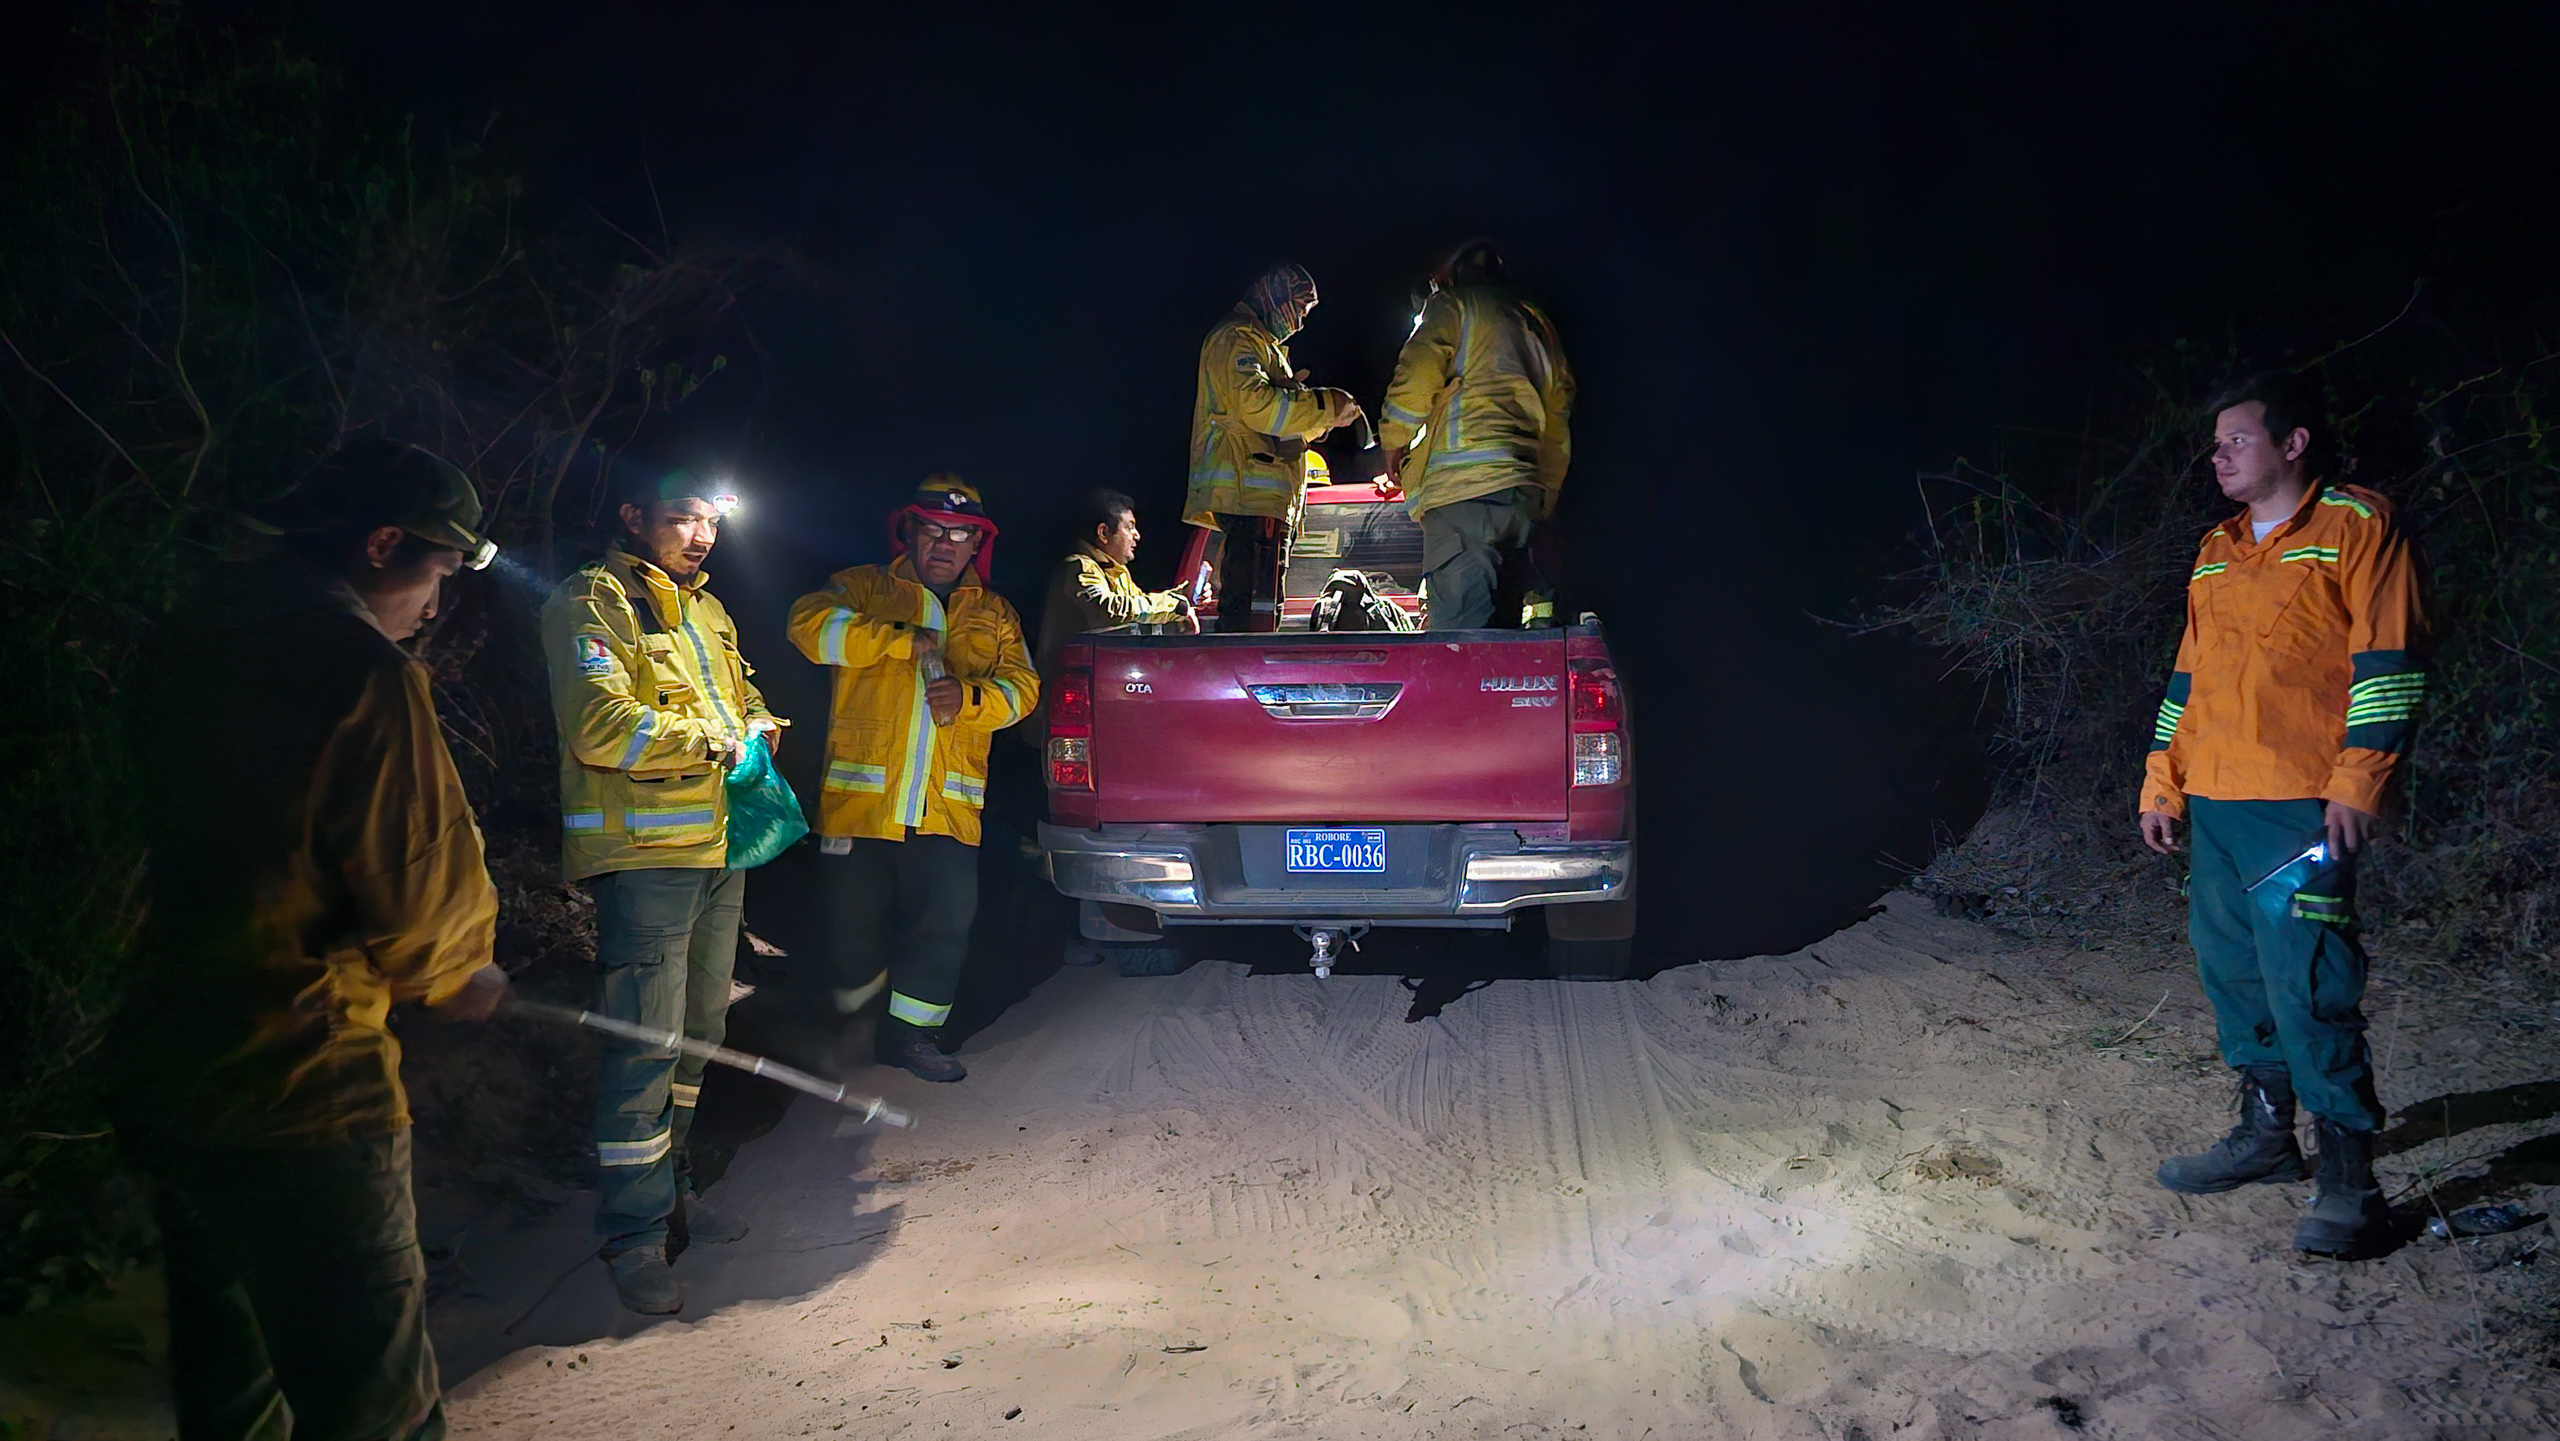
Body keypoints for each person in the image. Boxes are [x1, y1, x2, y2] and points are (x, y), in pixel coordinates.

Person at [109, 437, 508, 1439]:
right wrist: (462, 972)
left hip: (175, 1071)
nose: (436, 606)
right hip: (308, 1088)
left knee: (233, 1394)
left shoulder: (188, 639)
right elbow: (421, 889)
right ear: (382, 543)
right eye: (439, 573)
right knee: (371, 1406)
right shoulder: (360, 671)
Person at [2138, 374, 2429, 1259]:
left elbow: (2390, 660)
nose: (2218, 456)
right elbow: (2188, 679)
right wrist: (2162, 781)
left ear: (2292, 443)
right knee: (2232, 971)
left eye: (2236, 439)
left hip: (2300, 803)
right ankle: (2267, 1136)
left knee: (2309, 981)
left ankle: (2352, 1186)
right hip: (2217, 800)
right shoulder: (2215, 550)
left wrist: (2359, 781)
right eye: (2215, 444)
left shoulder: (2356, 524)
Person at [540, 469, 782, 1315]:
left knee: (700, 1032)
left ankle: (674, 1190)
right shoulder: (592, 600)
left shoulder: (708, 609)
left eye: (710, 522)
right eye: (683, 518)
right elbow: (599, 724)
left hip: (719, 845)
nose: (701, 535)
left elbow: (742, 694)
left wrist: (760, 724)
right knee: (645, 1042)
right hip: (644, 857)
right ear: (634, 516)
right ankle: (633, 1235)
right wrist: (720, 740)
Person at [787, 477, 1037, 1082]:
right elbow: (807, 627)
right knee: (851, 930)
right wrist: (896, 641)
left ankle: (913, 1038)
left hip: (945, 806)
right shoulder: (863, 587)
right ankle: (848, 1037)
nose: (945, 544)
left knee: (943, 925)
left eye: (960, 534)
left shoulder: (996, 614)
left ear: (977, 544)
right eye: (933, 529)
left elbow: (1024, 690)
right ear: (911, 531)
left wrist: (970, 699)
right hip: (861, 804)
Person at [1376, 239, 1575, 629]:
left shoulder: (1454, 306)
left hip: (1464, 497)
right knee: (1501, 635)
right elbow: (1557, 421)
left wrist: (1394, 443)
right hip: (1520, 500)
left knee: (1462, 644)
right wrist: (1545, 493)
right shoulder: (1537, 325)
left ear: (1453, 273)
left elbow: (1417, 377)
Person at [1181, 262, 1364, 632]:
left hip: (1261, 505)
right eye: (1299, 308)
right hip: (1248, 498)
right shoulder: (1237, 338)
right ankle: (1241, 670)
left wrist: (1321, 421)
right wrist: (1326, 404)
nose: (1300, 321)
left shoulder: (1264, 345)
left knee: (1261, 615)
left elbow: (1279, 427)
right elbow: (1258, 407)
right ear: (1275, 297)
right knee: (1250, 621)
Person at [1033, 488, 1190, 730]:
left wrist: (1184, 601)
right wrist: (1174, 605)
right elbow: (1110, 610)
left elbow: (1143, 611)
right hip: (1068, 705)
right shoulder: (1078, 568)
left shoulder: (1116, 574)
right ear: (1104, 533)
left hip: (1103, 697)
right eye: (1130, 527)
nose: (1137, 536)